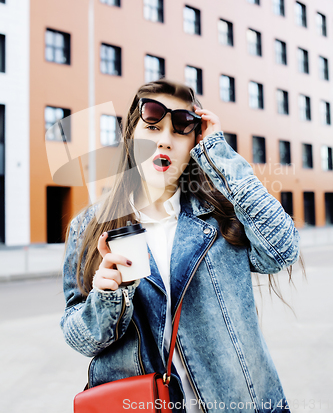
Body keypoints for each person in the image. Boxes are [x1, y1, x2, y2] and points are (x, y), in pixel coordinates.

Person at [61, 79, 300, 413]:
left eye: (179, 131)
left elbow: (281, 249)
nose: (164, 141)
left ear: (195, 141)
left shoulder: (221, 216)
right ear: (131, 137)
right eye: (152, 127)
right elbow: (81, 338)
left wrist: (218, 152)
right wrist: (107, 299)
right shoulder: (90, 227)